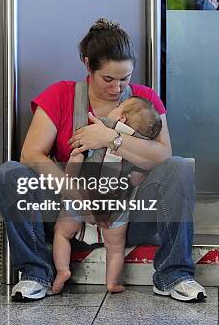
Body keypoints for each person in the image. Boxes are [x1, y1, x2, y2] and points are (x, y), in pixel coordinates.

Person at [0, 18, 206, 303]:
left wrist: (109, 139)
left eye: (125, 78)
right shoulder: (61, 95)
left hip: (126, 213)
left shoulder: (145, 100)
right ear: (87, 65)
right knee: (10, 173)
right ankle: (35, 272)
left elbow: (162, 155)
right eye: (108, 79)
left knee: (179, 167)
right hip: (68, 212)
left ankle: (174, 274)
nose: (118, 88)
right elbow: (31, 154)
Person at [51, 97, 163, 295]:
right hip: (116, 206)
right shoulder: (140, 144)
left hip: (82, 195)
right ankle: (112, 283)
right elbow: (137, 178)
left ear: (122, 118)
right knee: (115, 248)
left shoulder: (99, 127)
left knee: (62, 233)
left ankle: (62, 271)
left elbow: (78, 154)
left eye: (119, 107)